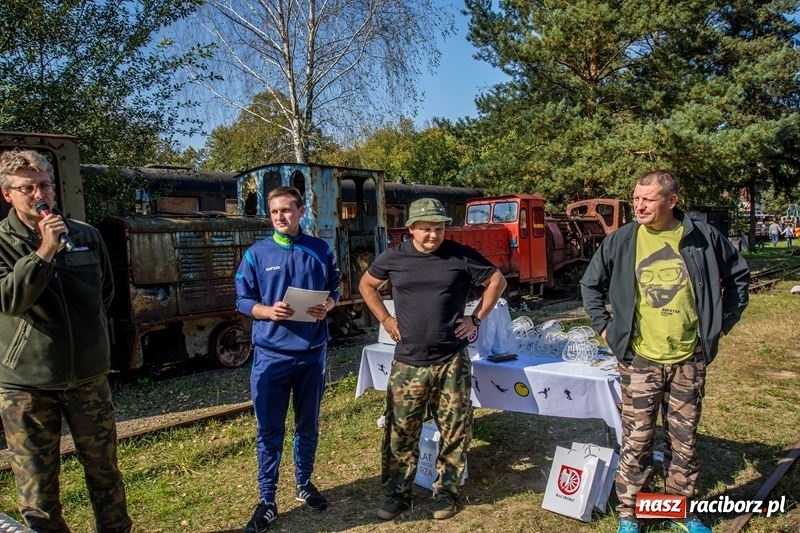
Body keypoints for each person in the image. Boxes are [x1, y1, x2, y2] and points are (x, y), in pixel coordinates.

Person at [580, 171, 749, 533]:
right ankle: (630, 515)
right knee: (637, 441)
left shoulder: (702, 237)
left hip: (688, 359)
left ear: (671, 201)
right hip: (640, 360)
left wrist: (722, 324)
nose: (638, 205)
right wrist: (607, 329)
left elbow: (738, 278)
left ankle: (676, 510)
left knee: (683, 443)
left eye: (648, 199)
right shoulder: (622, 240)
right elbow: (590, 285)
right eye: (636, 198)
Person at [0, 150, 132, 532]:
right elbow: (9, 300)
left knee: (105, 473)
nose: (39, 194)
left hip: (88, 379)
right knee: (38, 489)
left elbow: (105, 293)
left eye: (45, 185)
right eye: (28, 187)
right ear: (8, 194)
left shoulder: (85, 235)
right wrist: (44, 251)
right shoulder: (3, 242)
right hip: (27, 386)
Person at [359, 198, 507, 521]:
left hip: (451, 359)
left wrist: (476, 319)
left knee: (455, 430)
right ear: (411, 228)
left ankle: (447, 494)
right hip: (408, 362)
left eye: (438, 228)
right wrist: (386, 320)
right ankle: (396, 494)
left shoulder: (460, 256)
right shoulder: (394, 257)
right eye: (426, 229)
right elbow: (367, 284)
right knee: (400, 431)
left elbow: (497, 280)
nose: (433, 235)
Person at [235, 186, 340, 533]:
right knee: (269, 430)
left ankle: (304, 483)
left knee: (307, 423)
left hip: (312, 354)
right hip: (271, 356)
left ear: (301, 211)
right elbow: (241, 300)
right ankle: (266, 500)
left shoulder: (320, 250)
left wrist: (328, 305)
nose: (281, 216)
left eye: (287, 210)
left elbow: (336, 288)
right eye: (275, 212)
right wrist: (266, 311)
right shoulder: (256, 254)